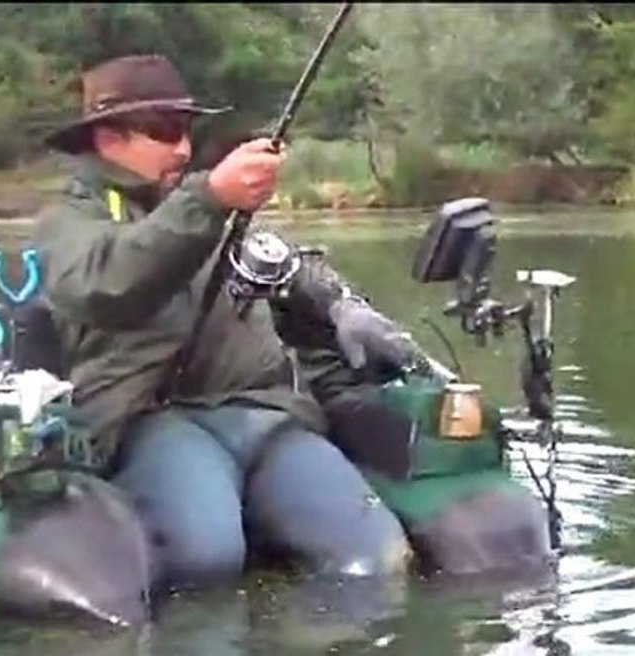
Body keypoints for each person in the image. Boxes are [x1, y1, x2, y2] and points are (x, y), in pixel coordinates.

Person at [31, 54, 420, 595]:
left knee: (374, 557)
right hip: (152, 421)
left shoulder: (197, 203)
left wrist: (341, 305)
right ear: (106, 137)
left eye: (186, 129)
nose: (183, 148)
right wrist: (209, 197)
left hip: (262, 411)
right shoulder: (70, 223)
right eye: (163, 131)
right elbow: (108, 281)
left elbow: (283, 258)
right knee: (207, 561)